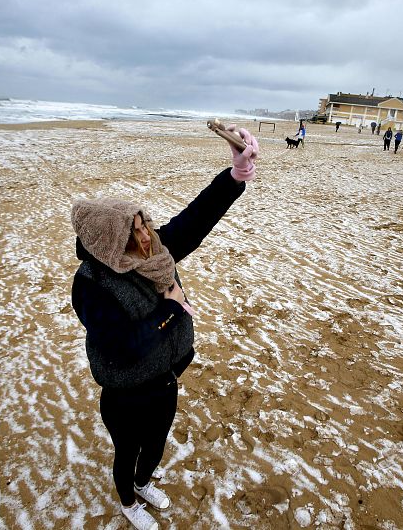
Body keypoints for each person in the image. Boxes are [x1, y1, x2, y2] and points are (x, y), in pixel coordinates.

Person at [70, 127, 259, 530]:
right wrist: (172, 308)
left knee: (155, 445)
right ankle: (127, 500)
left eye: (143, 224)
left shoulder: (152, 253)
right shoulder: (91, 285)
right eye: (133, 231)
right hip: (126, 390)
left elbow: (194, 221)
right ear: (108, 243)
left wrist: (234, 176)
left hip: (164, 376)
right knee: (128, 449)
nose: (144, 235)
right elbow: (123, 346)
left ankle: (143, 482)